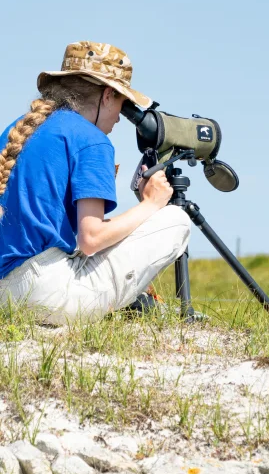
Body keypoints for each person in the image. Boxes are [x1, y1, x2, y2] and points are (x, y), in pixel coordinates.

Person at [0, 41, 190, 323]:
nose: (120, 119)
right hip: (48, 295)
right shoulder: (92, 140)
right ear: (108, 96)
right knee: (177, 219)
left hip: (6, 295)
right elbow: (91, 239)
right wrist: (151, 204)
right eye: (124, 105)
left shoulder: (17, 129)